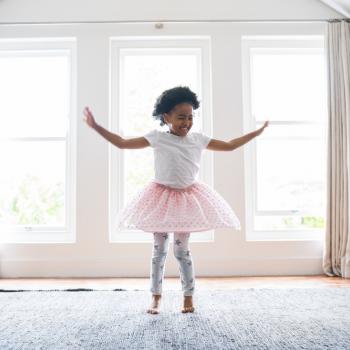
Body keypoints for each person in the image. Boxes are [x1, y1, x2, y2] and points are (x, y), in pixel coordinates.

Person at [83, 86, 269, 315]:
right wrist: (97, 127)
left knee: (182, 252)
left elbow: (229, 146)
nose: (187, 122)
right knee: (159, 251)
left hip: (186, 201)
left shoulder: (198, 139)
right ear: (166, 117)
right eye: (181, 117)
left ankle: (188, 297)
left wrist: (256, 133)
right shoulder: (157, 138)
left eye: (190, 117)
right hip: (160, 199)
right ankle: (155, 297)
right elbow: (122, 143)